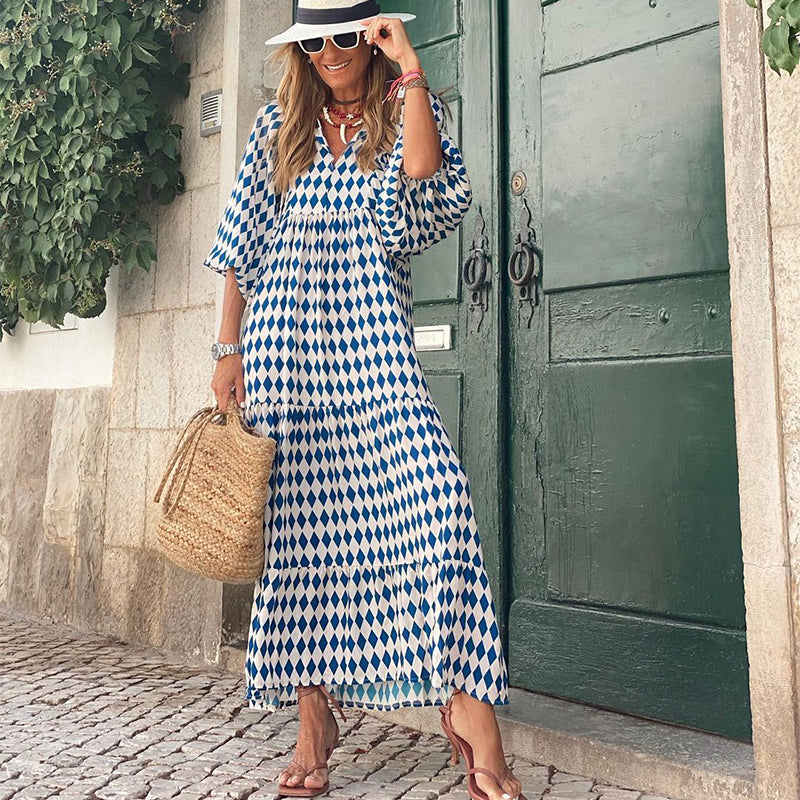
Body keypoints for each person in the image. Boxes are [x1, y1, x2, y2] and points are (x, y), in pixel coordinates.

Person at [203, 2, 526, 800]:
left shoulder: (404, 108)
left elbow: (424, 177)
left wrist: (408, 64)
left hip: (376, 356)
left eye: (345, 35)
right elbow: (239, 248)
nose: (329, 53)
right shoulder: (277, 127)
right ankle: (315, 723)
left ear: (372, 36)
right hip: (287, 361)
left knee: (438, 507)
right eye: (314, 41)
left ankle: (475, 720)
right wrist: (225, 352)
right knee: (303, 547)